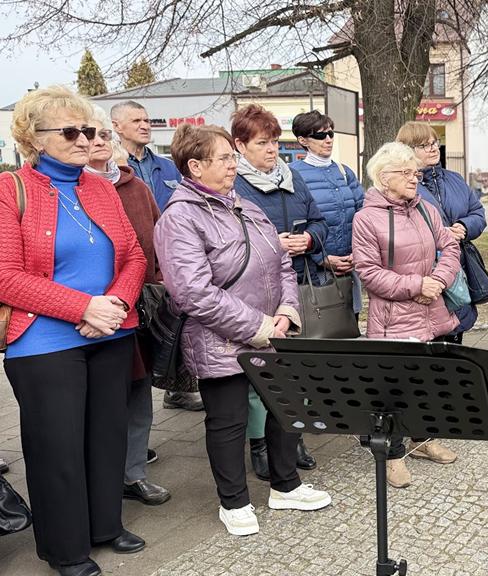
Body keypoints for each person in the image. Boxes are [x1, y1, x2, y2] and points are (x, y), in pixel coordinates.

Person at [154, 124, 331, 537]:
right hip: (221, 338)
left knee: (287, 408)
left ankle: (285, 486)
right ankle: (233, 501)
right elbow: (193, 292)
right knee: (228, 421)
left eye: (233, 157)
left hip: (275, 330)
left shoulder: (245, 206)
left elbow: (282, 263)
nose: (234, 165)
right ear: (194, 166)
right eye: (224, 158)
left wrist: (287, 311)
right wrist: (258, 326)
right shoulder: (180, 217)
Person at [0, 85, 148, 576]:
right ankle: (66, 550)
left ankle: (106, 525)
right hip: (43, 341)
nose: (86, 140)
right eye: (72, 131)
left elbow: (133, 256)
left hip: (110, 331)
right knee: (56, 447)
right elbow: (6, 276)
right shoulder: (9, 190)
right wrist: (82, 306)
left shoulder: (100, 187)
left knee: (106, 436)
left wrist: (117, 304)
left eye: (91, 130)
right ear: (35, 139)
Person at [351, 142, 461, 488]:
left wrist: (438, 281)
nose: (415, 177)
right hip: (394, 318)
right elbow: (369, 273)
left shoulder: (426, 210)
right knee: (393, 391)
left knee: (428, 383)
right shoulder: (366, 219)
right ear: (384, 178)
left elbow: (451, 247)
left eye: (416, 171)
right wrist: (417, 285)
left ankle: (424, 441)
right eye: (407, 172)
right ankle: (394, 456)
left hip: (431, 310)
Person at [230, 104, 325, 479]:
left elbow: (319, 220)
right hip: (254, 292)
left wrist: (308, 239)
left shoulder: (291, 177)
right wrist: (273, 244)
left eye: (274, 142)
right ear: (240, 145)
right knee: (260, 370)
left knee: (295, 367)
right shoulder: (234, 183)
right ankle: (259, 443)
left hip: (296, 282)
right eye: (262, 143)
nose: (272, 150)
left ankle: (291, 435)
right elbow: (229, 240)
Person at [85, 107, 171, 507]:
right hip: (87, 317)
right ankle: (97, 478)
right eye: (90, 133)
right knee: (96, 403)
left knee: (139, 395)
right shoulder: (69, 191)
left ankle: (132, 474)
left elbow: (159, 242)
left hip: (140, 309)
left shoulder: (137, 189)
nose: (98, 141)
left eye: (104, 134)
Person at [393, 121, 485, 466]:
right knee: (420, 356)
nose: (434, 149)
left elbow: (478, 212)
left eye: (435, 144)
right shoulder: (402, 192)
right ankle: (413, 433)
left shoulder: (454, 180)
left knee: (452, 342)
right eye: (424, 145)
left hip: (455, 271)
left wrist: (464, 227)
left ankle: (444, 415)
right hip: (417, 281)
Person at [110, 101, 202, 413]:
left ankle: (175, 387)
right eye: (136, 120)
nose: (145, 125)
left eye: (147, 120)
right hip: (131, 266)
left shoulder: (165, 165)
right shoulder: (113, 166)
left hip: (169, 258)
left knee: (172, 325)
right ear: (117, 126)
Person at [289, 110, 365, 324]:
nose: (328, 139)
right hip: (315, 270)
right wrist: (321, 259)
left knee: (351, 326)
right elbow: (294, 225)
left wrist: (357, 254)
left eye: (331, 134)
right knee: (325, 328)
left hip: (349, 267)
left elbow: (363, 215)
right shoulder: (293, 174)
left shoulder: (343, 171)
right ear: (303, 140)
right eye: (320, 135)